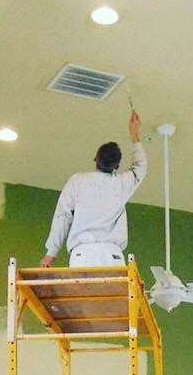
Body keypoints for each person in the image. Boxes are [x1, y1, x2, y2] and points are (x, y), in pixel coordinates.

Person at [40, 111, 146, 269]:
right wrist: (134, 134)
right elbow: (140, 166)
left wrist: (51, 253)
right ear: (116, 167)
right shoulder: (122, 183)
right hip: (112, 256)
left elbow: (62, 216)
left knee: (83, 294)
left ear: (95, 159)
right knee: (114, 295)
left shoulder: (78, 181)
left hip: (83, 255)